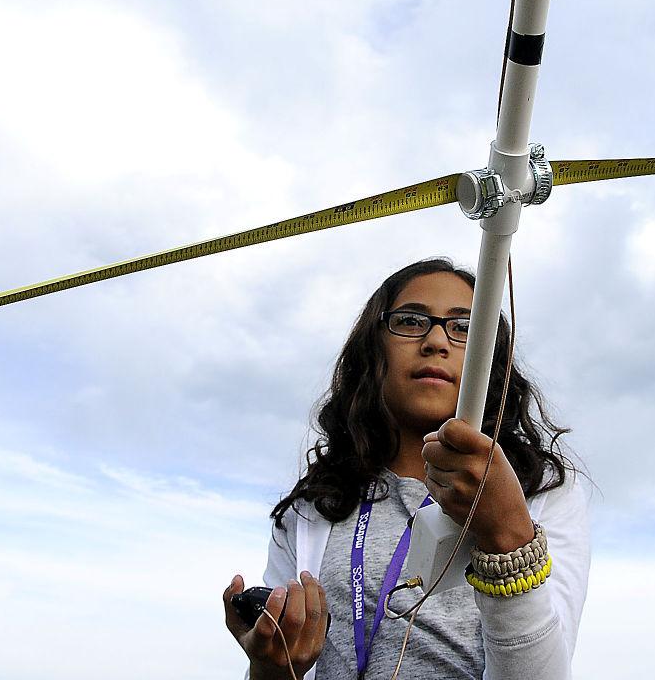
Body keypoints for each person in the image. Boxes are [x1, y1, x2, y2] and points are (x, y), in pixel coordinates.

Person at [223, 258, 590, 679]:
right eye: (411, 321)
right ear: (373, 346)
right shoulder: (312, 508)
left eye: (465, 327)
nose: (436, 340)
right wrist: (270, 670)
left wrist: (508, 537)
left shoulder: (543, 492)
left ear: (492, 358)